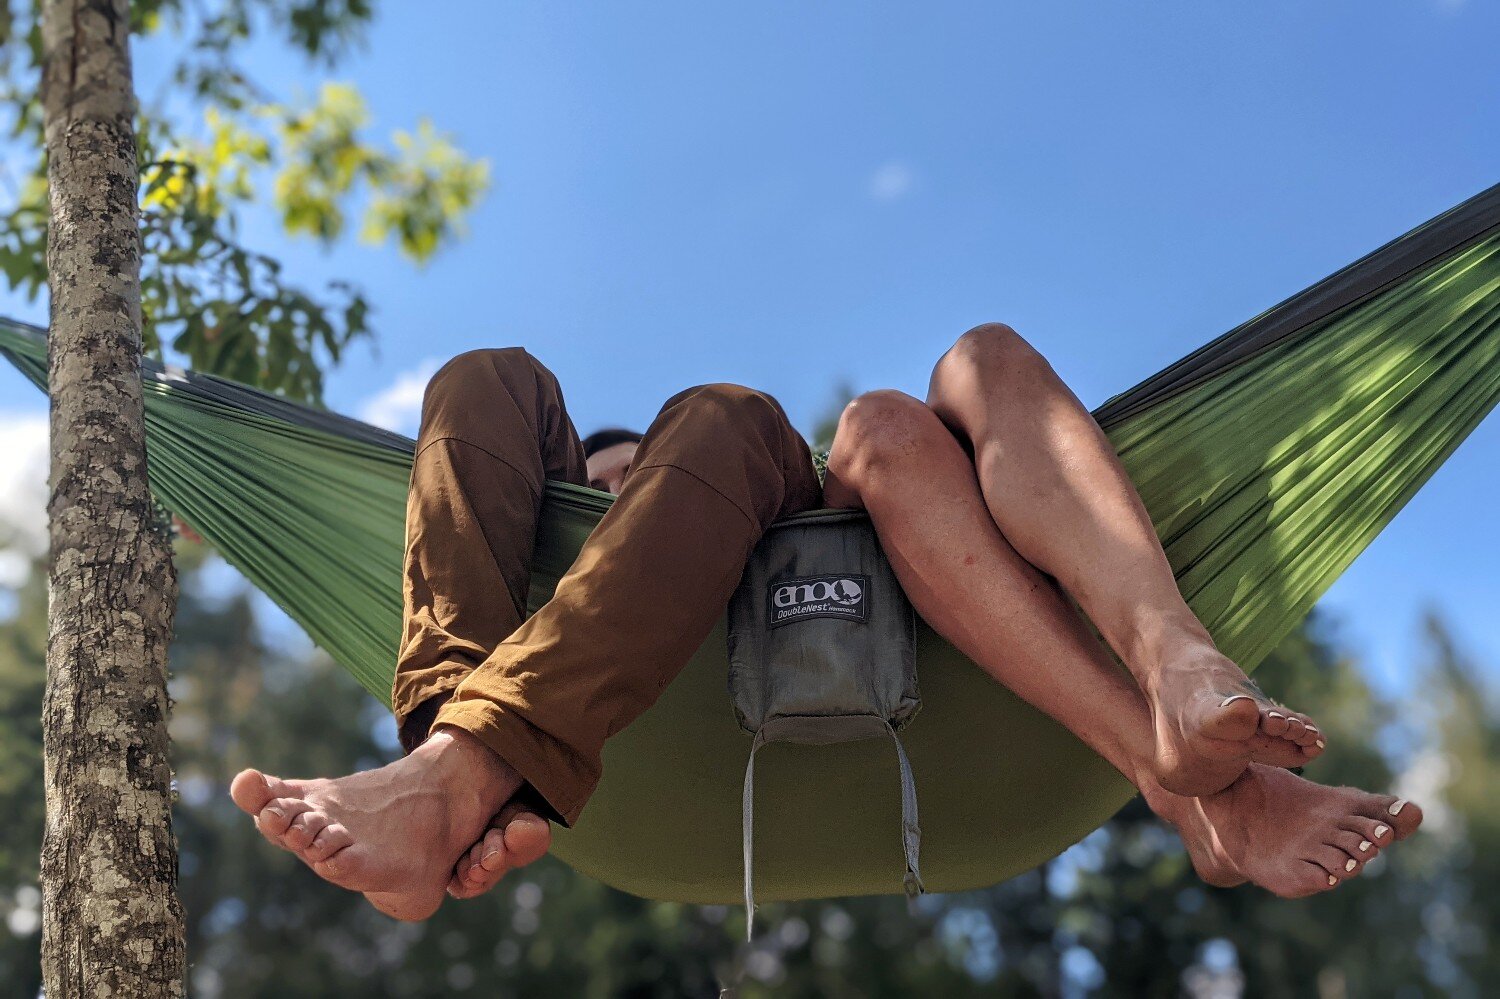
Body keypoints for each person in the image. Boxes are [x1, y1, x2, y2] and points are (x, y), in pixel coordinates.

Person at [231, 324, 1422, 922]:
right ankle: (460, 759)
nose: (643, 494)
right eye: (611, 493)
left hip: (956, 698)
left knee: (949, 378)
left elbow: (867, 453)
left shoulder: (795, 476)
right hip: (615, 781)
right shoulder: (673, 475)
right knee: (497, 377)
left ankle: (1174, 673)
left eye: (650, 485)